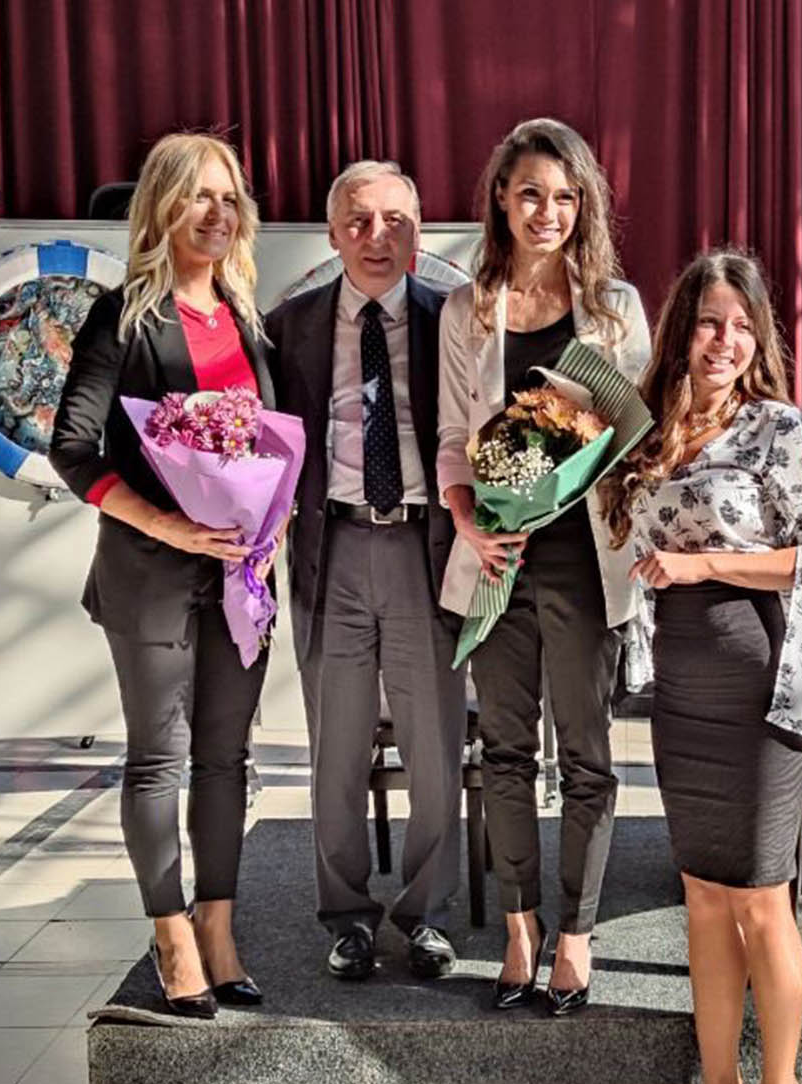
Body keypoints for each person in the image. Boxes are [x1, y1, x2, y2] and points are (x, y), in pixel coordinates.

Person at [601, 250, 802, 1084]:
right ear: (681, 330)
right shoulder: (651, 431)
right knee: (703, 894)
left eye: (743, 326)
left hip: (761, 678)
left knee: (760, 896)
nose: (726, 341)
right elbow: (618, 531)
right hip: (683, 685)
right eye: (710, 321)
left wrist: (704, 564)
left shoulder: (775, 427)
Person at [49, 132, 275, 1019]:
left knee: (227, 759)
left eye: (228, 197)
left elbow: (268, 445)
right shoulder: (124, 316)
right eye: (198, 195)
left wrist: (271, 525)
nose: (217, 213)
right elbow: (73, 448)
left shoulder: (245, 317)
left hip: (238, 578)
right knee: (158, 760)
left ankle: (218, 928)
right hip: (149, 572)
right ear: (162, 207)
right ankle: (171, 934)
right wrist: (167, 524)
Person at [437, 117, 651, 1016]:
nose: (547, 212)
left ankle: (576, 934)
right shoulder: (465, 309)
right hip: (498, 559)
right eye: (530, 193)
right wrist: (470, 524)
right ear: (501, 198)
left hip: (586, 565)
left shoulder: (615, 310)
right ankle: (519, 928)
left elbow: (633, 441)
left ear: (584, 206)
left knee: (589, 758)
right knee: (506, 751)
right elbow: (453, 440)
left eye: (565, 197)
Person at [264, 161, 463, 982]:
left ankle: (424, 916)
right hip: (333, 550)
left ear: (419, 231)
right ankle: (345, 917)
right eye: (359, 221)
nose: (377, 237)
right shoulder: (289, 326)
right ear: (332, 233)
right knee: (336, 751)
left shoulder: (453, 318)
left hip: (426, 551)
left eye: (395, 221)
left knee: (434, 749)